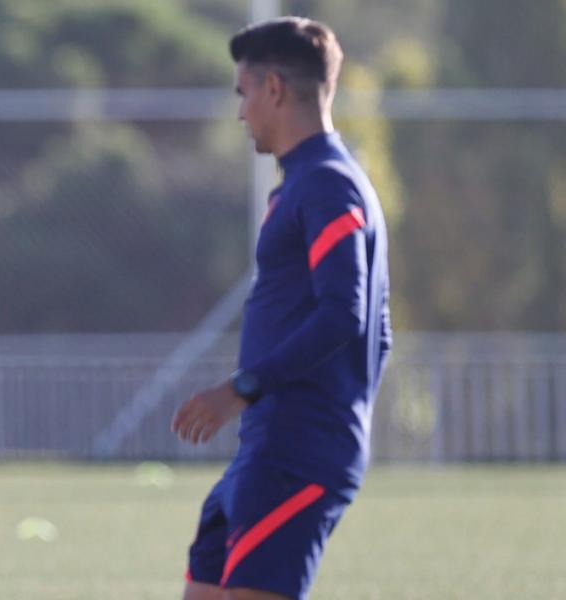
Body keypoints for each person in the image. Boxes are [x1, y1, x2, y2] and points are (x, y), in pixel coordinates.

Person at [170, 17, 391, 600]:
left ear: (273, 88)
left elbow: (348, 313)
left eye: (243, 94)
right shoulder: (309, 184)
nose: (241, 112)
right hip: (267, 450)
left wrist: (242, 387)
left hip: (296, 454)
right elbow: (381, 331)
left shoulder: (327, 185)